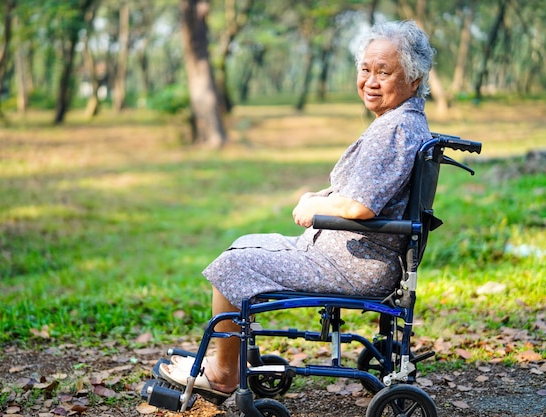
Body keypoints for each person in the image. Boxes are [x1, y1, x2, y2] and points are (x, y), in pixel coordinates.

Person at [159, 20, 436, 403]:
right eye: (365, 69)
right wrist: (320, 194)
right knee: (244, 245)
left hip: (353, 266)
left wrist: (316, 207)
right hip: (354, 256)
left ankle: (223, 373)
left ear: (415, 78)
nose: (371, 80)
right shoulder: (402, 122)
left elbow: (361, 205)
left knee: (232, 266)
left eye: (384, 72)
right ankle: (229, 355)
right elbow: (368, 190)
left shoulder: (395, 130)